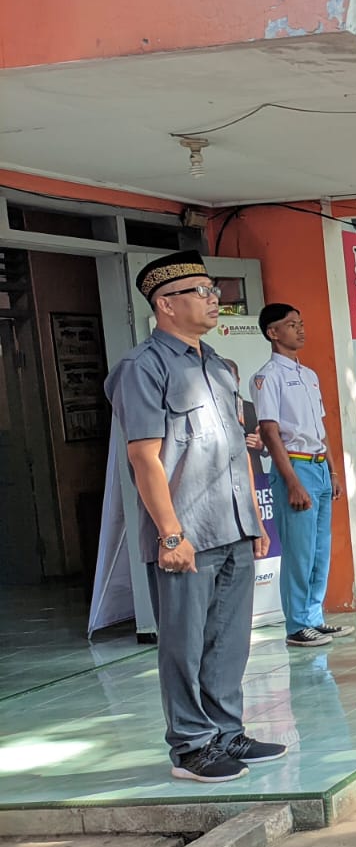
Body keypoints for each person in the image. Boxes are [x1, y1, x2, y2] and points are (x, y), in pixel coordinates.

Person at [105, 251, 278, 783]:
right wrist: (169, 533)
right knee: (184, 644)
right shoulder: (143, 368)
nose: (214, 299)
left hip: (233, 524)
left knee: (229, 639)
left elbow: (235, 448)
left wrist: (254, 519)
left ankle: (227, 732)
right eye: (201, 291)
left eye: (212, 290)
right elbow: (144, 457)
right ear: (165, 304)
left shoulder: (218, 366)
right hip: (186, 534)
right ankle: (191, 745)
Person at [253, 303, 350, 648]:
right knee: (300, 551)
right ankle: (296, 624)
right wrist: (292, 482)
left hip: (319, 464)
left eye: (301, 322)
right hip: (295, 466)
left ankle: (314, 617)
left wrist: (333, 470)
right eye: (291, 324)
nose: (300, 329)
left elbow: (321, 428)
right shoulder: (268, 376)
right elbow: (270, 432)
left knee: (320, 549)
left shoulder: (309, 375)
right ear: (273, 333)